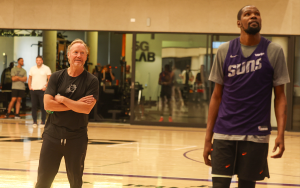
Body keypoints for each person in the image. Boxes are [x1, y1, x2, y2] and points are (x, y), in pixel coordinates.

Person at [203, 5, 290, 188]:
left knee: (247, 186)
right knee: (219, 184)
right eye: (248, 14)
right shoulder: (225, 51)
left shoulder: (274, 51)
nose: (253, 16)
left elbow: (280, 97)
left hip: (255, 135)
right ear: (239, 23)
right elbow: (216, 97)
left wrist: (281, 134)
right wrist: (207, 139)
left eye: (257, 14)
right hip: (224, 133)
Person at [35, 39, 99, 188]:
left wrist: (63, 99)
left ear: (86, 57)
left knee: (76, 182)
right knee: (43, 181)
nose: (78, 55)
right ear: (68, 55)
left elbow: (86, 109)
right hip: (52, 136)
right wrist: (76, 104)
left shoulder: (92, 81)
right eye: (75, 52)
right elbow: (47, 104)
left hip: (77, 138)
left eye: (82, 53)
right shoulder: (57, 77)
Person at [28, 56, 51, 128]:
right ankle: (34, 121)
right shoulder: (32, 68)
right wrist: (29, 87)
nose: (38, 61)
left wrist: (45, 87)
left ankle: (43, 121)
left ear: (42, 61)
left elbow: (49, 79)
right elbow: (29, 78)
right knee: (34, 106)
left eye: (40, 60)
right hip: (33, 90)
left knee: (43, 106)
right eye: (37, 60)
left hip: (42, 90)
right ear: (35, 61)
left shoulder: (46, 68)